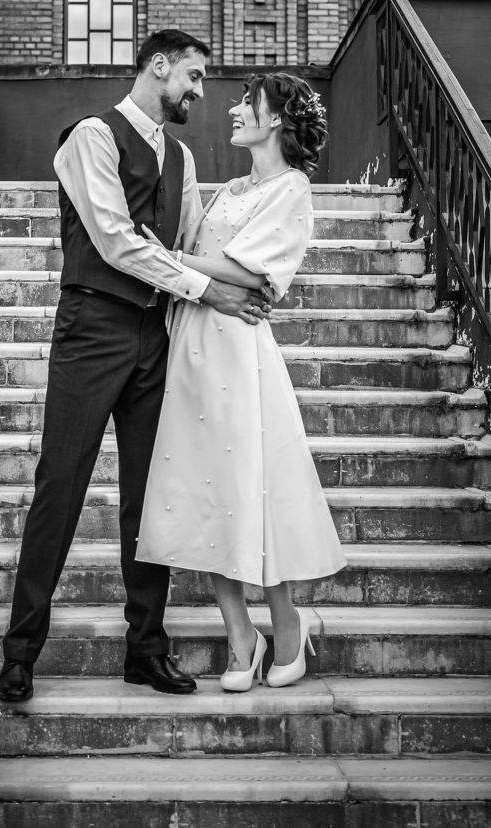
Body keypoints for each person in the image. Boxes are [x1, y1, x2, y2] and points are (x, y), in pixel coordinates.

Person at [0, 29, 270, 705]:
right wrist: (209, 290)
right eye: (193, 76)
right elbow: (115, 240)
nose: (199, 92)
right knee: (60, 486)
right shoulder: (91, 136)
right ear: (158, 66)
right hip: (92, 329)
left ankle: (145, 649)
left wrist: (255, 257)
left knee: (151, 500)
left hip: (158, 334)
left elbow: (190, 241)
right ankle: (20, 653)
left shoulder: (181, 157)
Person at [136, 72, 343, 691]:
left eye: (246, 103)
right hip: (192, 345)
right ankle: (239, 636)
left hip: (241, 352)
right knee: (207, 491)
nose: (233, 110)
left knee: (255, 488)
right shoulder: (226, 189)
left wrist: (169, 259)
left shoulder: (292, 188)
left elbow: (252, 274)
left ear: (275, 118)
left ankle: (287, 624)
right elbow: (211, 262)